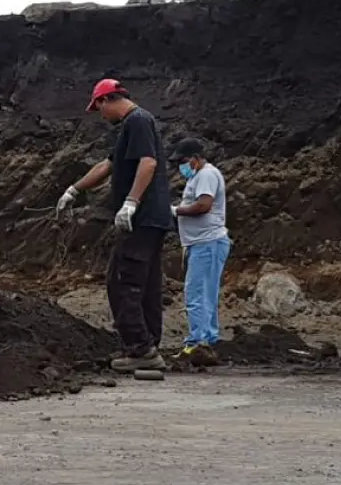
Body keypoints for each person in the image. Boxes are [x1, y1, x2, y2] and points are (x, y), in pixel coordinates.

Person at [56, 79, 174, 372]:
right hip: (151, 219)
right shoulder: (128, 128)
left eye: (98, 109)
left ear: (106, 100)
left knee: (123, 280)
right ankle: (147, 346)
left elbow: (148, 163)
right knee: (146, 283)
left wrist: (131, 202)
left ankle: (141, 348)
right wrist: (74, 189)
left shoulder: (138, 121)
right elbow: (107, 165)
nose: (100, 116)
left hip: (143, 217)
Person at [169, 138, 231, 356]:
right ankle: (208, 339)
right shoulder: (200, 176)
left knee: (196, 293)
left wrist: (175, 211)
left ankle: (197, 343)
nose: (181, 166)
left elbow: (204, 205)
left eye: (184, 161)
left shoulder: (205, 175)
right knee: (206, 293)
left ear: (195, 158)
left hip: (207, 242)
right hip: (203, 243)